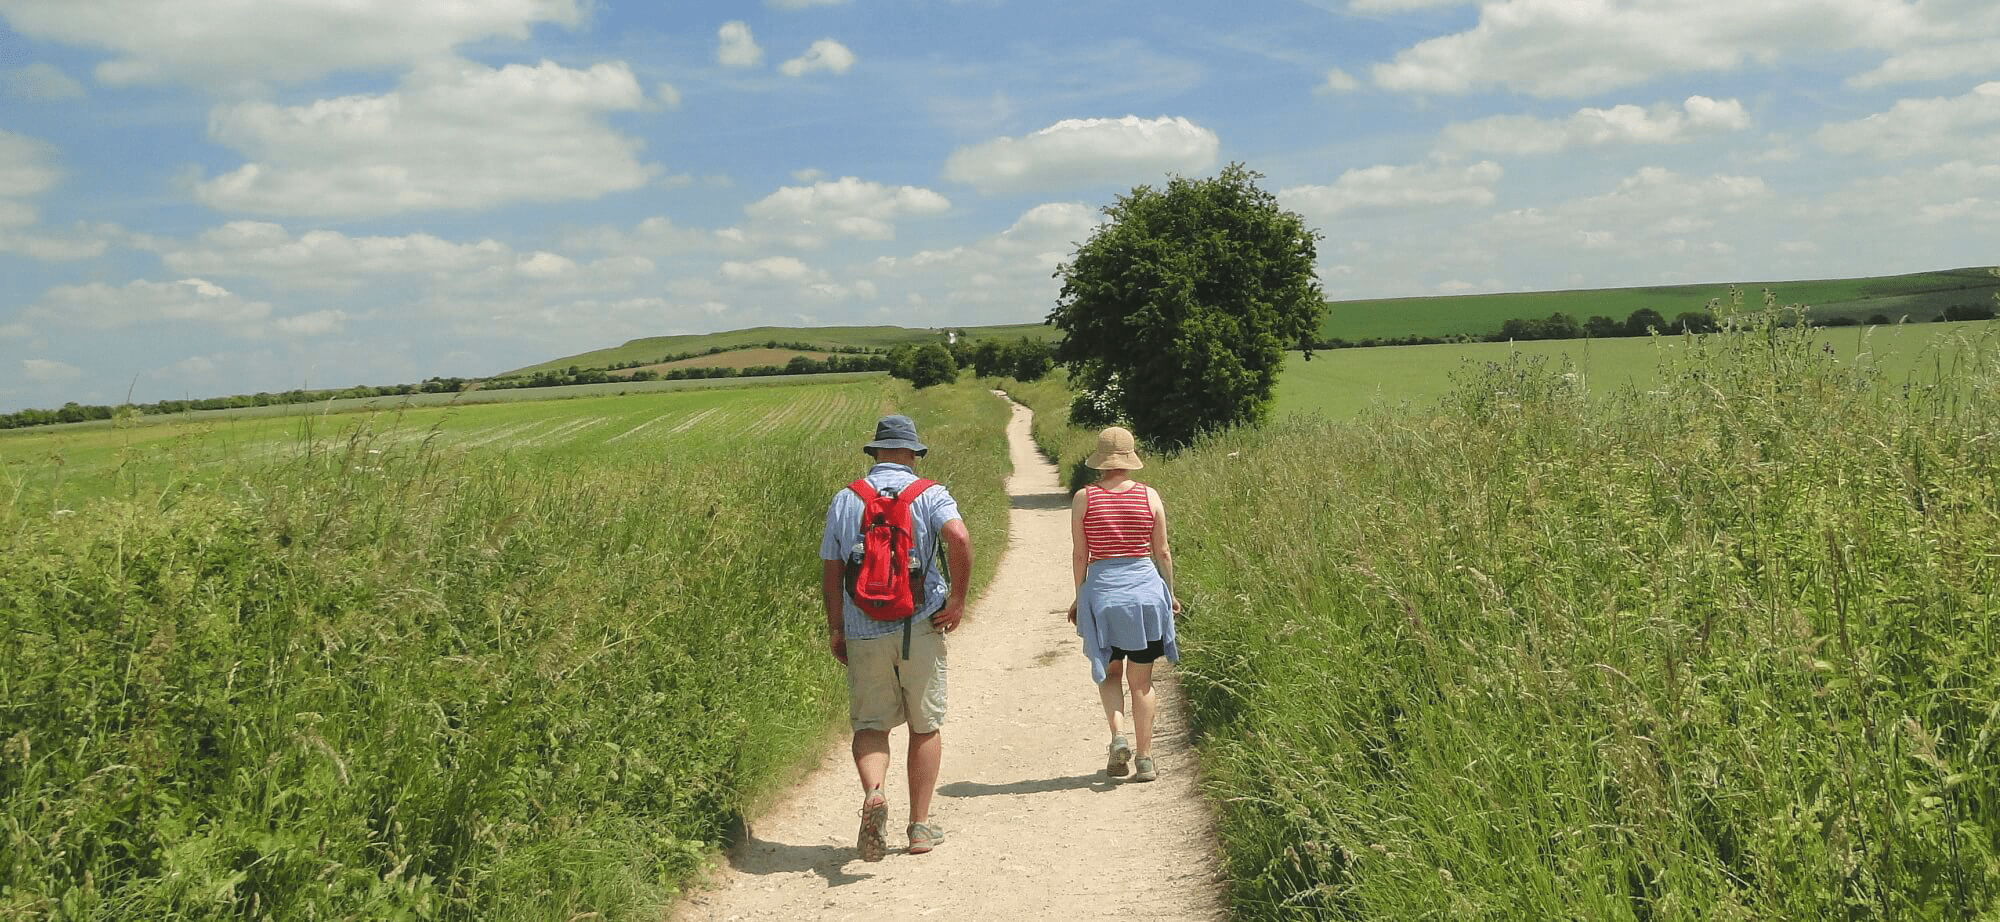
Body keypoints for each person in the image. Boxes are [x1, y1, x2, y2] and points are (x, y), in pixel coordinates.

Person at [820, 414, 972, 861]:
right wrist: (958, 600)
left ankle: (873, 794)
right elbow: (959, 537)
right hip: (921, 625)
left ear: (875, 453)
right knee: (925, 726)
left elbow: (831, 569)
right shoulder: (930, 494)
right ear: (913, 453)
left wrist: (836, 628)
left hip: (863, 628)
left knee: (871, 725)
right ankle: (920, 828)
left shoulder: (846, 499)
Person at [1067, 425, 1180, 783]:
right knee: (1142, 683)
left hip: (1104, 597)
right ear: (1130, 460)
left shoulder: (1085, 498)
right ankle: (1145, 759)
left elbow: (1080, 554)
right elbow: (1162, 551)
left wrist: (1079, 596)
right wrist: (1170, 593)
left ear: (1100, 461)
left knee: (1111, 673)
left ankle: (1118, 737)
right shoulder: (1150, 496)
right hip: (1145, 595)